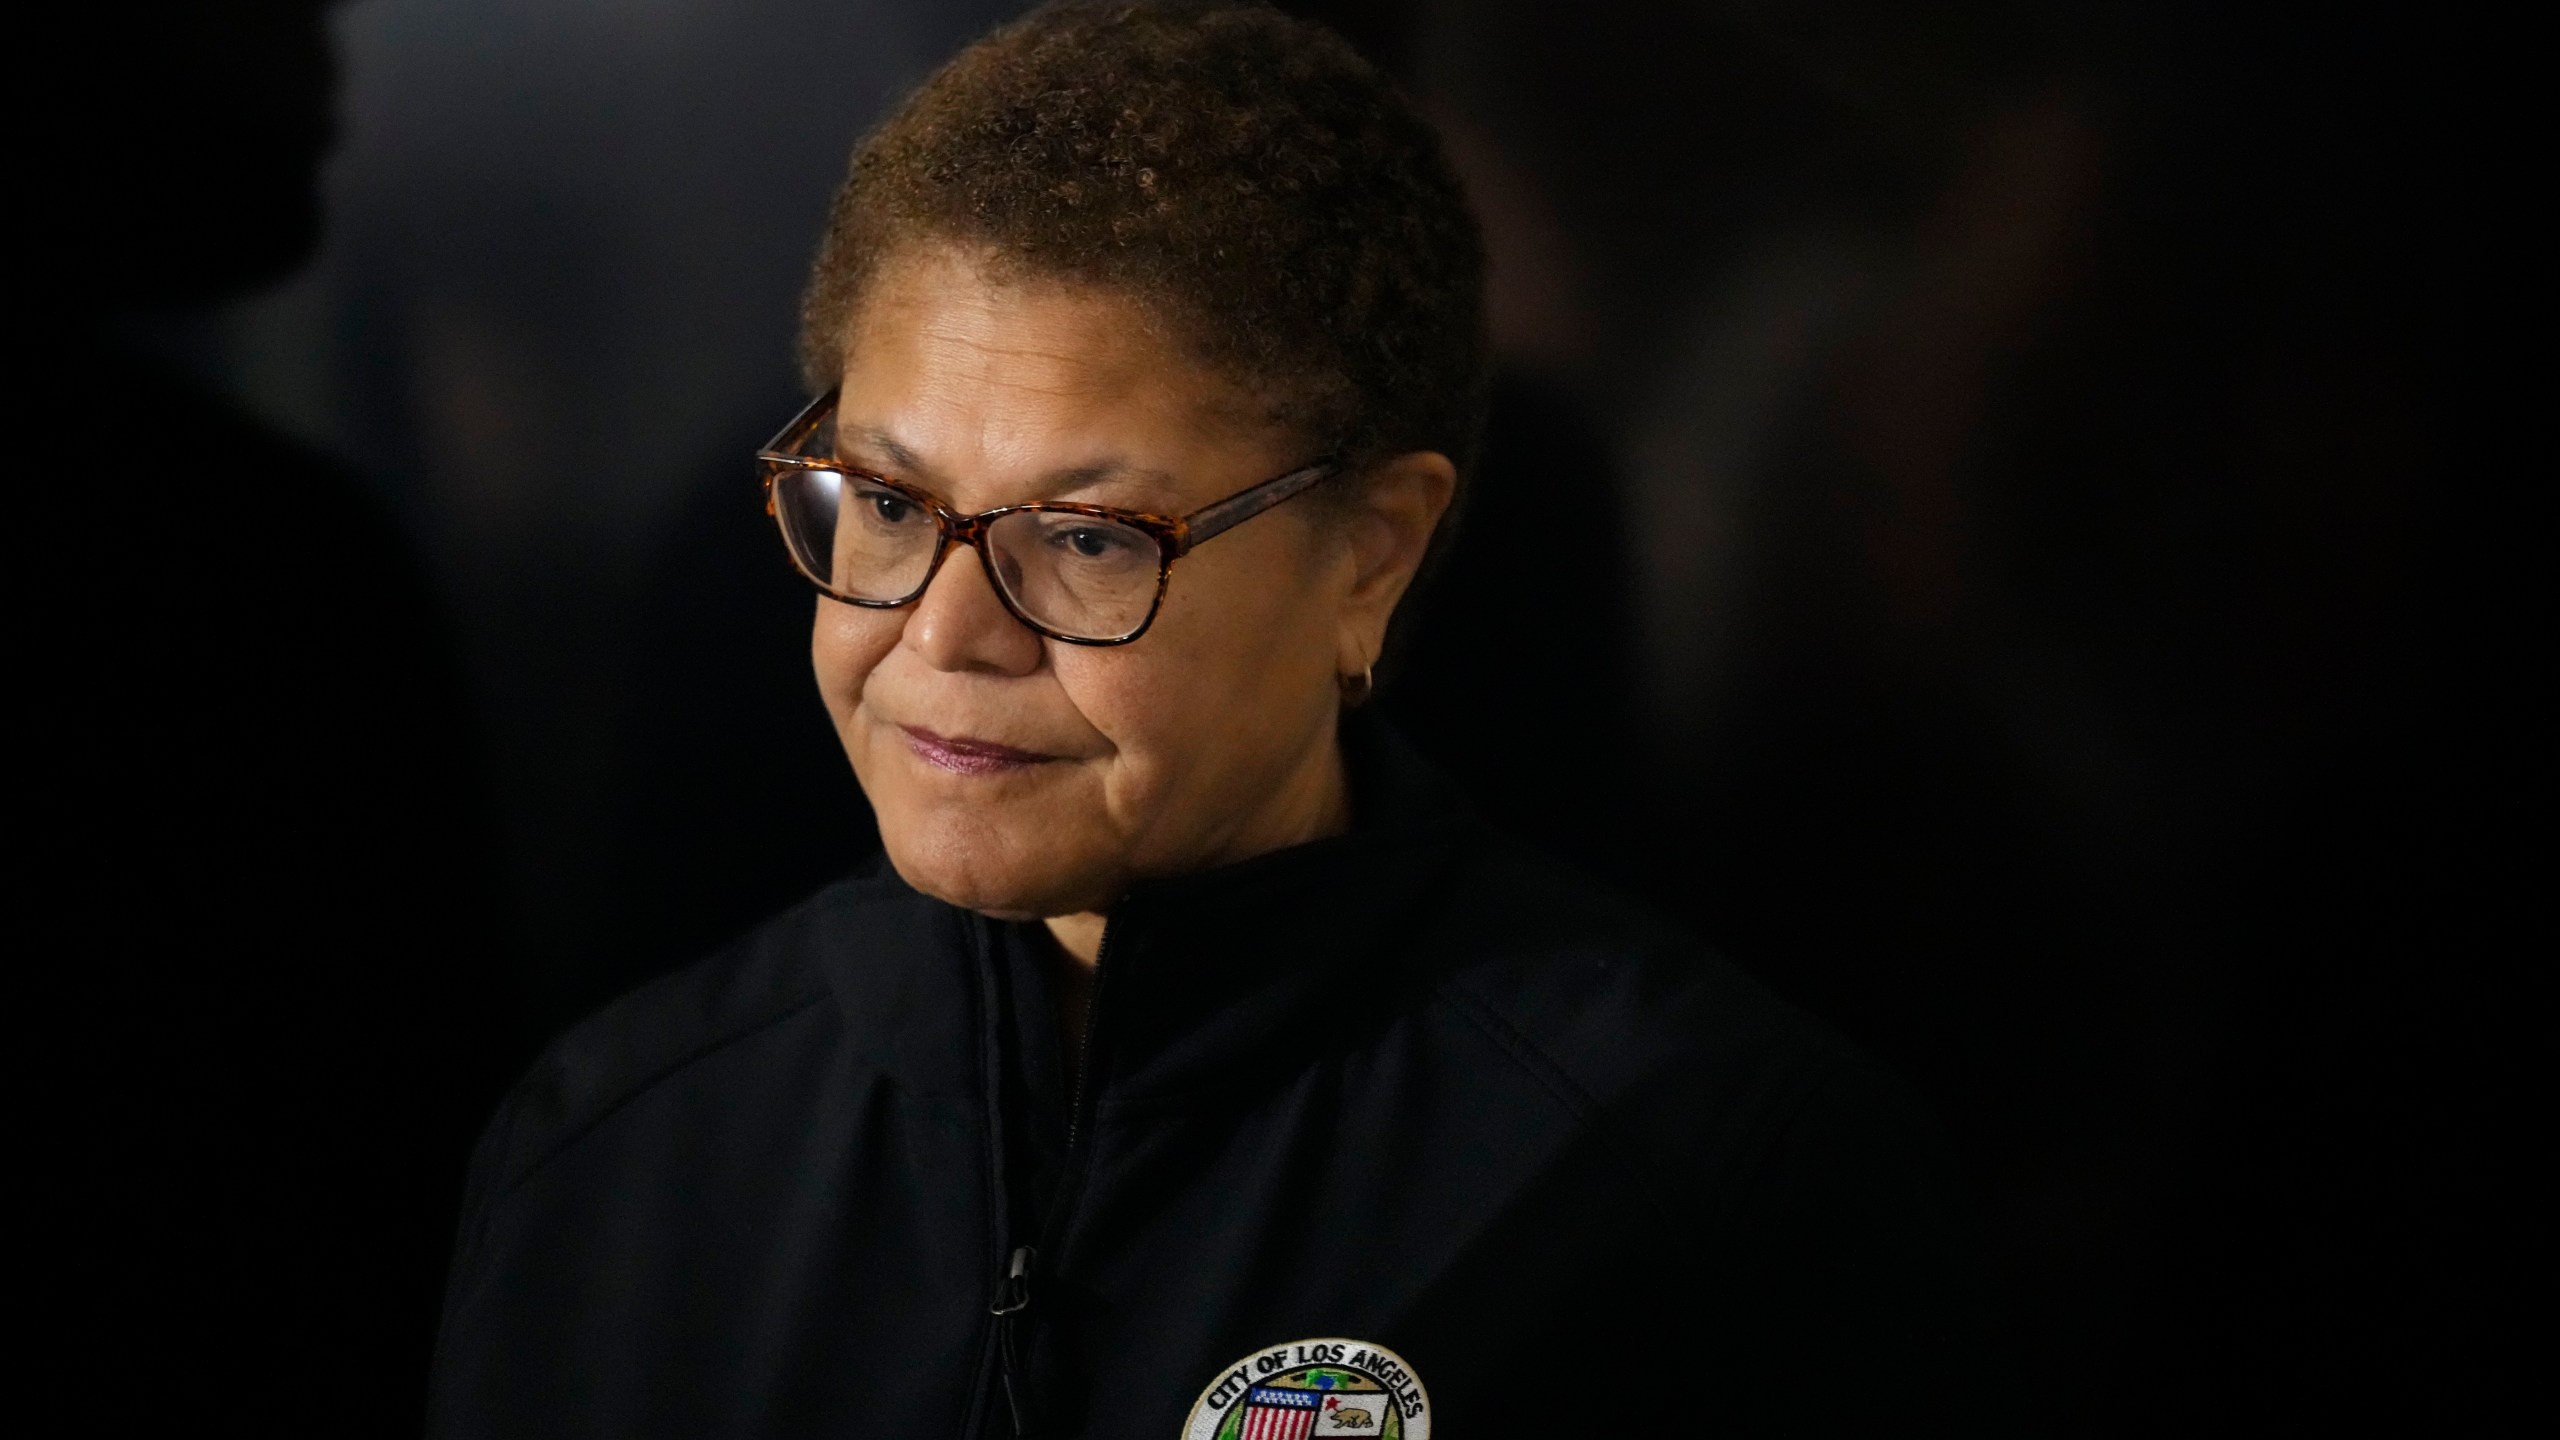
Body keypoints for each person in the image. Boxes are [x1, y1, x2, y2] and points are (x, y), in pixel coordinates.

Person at [427, 4, 2027, 1434]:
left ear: (1371, 555)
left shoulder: (1700, 1190)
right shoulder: (620, 1153)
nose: (947, 637)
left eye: (1091, 537)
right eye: (893, 504)